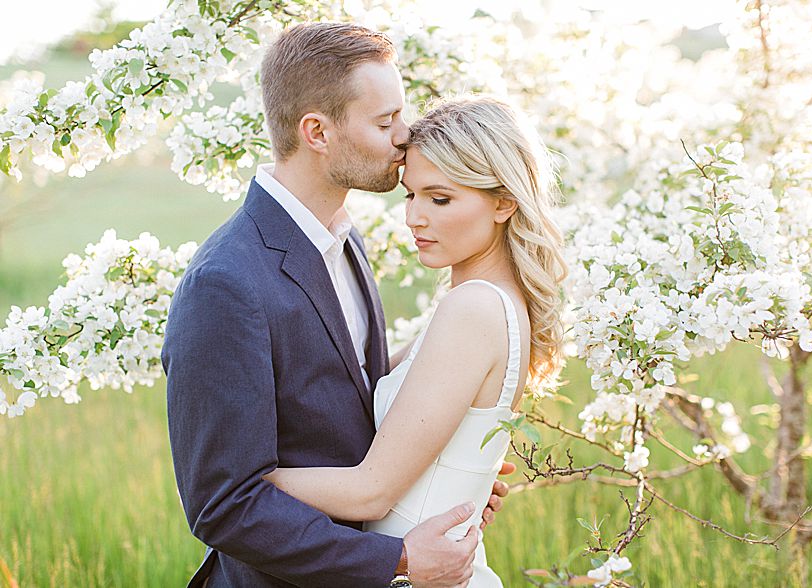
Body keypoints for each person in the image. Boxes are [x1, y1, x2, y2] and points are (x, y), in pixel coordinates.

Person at [163, 24, 511, 587]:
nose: (404, 136)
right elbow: (224, 506)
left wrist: (443, 478)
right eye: (384, 121)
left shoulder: (344, 240)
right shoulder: (225, 284)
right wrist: (398, 559)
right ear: (317, 132)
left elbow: (351, 404)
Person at [263, 94, 567, 588]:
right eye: (410, 195)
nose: (414, 218)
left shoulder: (474, 309)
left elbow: (370, 492)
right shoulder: (479, 304)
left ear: (504, 202)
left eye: (439, 199)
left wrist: (242, 482)